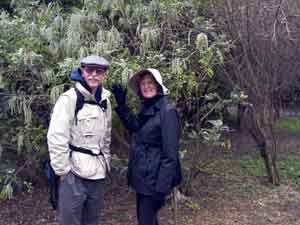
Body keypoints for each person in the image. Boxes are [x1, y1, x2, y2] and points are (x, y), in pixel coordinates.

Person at [112, 68, 182, 225]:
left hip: (155, 182)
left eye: (150, 82)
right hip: (144, 179)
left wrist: (161, 188)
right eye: (143, 83)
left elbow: (170, 155)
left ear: (158, 85)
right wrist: (122, 106)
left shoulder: (167, 111)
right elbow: (135, 126)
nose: (146, 86)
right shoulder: (148, 107)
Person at [47, 55, 112, 225]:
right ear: (82, 72)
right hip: (73, 173)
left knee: (92, 221)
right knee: (70, 221)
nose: (93, 75)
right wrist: (62, 171)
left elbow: (106, 136)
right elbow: (56, 136)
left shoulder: (105, 101)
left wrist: (106, 162)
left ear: (104, 75)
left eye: (99, 71)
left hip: (98, 172)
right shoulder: (69, 99)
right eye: (89, 70)